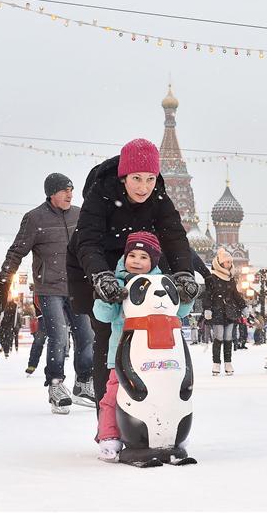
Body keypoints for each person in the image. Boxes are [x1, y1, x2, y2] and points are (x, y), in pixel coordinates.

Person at [67, 139, 198, 413]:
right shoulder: (101, 195)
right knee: (107, 335)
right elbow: (87, 242)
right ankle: (109, 420)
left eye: (150, 179)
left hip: (140, 264)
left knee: (151, 332)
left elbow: (174, 237)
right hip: (97, 265)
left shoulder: (158, 197)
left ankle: (152, 409)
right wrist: (102, 277)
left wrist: (184, 274)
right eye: (137, 178)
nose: (143, 187)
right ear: (124, 177)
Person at [0, 172, 96, 411]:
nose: (70, 194)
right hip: (49, 288)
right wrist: (3, 285)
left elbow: (92, 246)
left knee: (87, 336)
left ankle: (83, 382)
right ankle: (56, 385)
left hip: (77, 286)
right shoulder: (34, 219)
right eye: (64, 190)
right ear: (51, 194)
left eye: (71, 190)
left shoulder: (80, 215)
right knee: (58, 337)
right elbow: (15, 253)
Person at [93, 231, 193, 458]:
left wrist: (187, 294)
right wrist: (105, 294)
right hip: (123, 353)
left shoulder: (162, 283)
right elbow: (103, 315)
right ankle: (109, 436)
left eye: (144, 257)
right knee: (114, 396)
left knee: (165, 394)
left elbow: (179, 310)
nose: (137, 261)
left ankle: (168, 433)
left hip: (157, 355)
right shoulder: (119, 283)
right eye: (132, 255)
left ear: (153, 262)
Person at [202, 248, 247, 376]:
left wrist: (243, 306)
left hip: (230, 312)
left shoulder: (230, 279)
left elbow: (236, 295)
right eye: (227, 262)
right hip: (217, 312)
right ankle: (216, 363)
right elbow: (208, 295)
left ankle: (228, 362)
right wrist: (207, 309)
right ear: (220, 263)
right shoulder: (212, 278)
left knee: (228, 337)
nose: (229, 264)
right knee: (219, 337)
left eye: (230, 262)